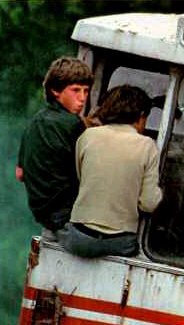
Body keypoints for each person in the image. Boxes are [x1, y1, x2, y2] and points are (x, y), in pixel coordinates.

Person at [60, 85, 161, 258]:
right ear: (141, 115)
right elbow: (149, 203)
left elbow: (80, 178)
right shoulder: (147, 146)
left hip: (79, 238)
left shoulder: (88, 136)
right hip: (119, 243)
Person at [17, 57, 93, 234]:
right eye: (75, 90)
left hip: (42, 215)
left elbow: (20, 173)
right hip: (68, 215)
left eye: (86, 91)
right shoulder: (73, 124)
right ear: (55, 90)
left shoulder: (35, 121)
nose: (82, 98)